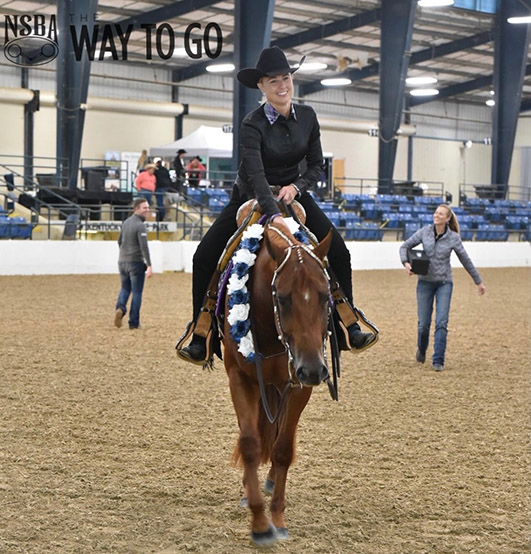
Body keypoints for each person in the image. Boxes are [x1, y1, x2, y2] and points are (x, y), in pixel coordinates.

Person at [177, 46, 375, 364]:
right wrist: (273, 213)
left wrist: (296, 188)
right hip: (250, 195)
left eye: (285, 78)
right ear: (261, 86)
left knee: (339, 252)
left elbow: (316, 166)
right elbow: (255, 174)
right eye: (273, 81)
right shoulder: (251, 124)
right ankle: (201, 333)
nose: (282, 86)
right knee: (204, 256)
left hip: (293, 193)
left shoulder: (307, 117)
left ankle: (346, 325)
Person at [399, 203, 486, 371]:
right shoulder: (424, 232)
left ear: (447, 218)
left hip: (444, 283)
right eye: (436, 213)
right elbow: (404, 246)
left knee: (441, 322)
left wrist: (478, 281)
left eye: (440, 214)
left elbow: (465, 260)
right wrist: (406, 263)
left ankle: (438, 360)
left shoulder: (453, 237)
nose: (436, 215)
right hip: (424, 282)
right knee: (423, 324)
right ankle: (422, 349)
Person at [114, 198, 153, 330]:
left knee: (125, 288)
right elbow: (144, 246)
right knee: (137, 292)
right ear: (136, 209)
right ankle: (134, 322)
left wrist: (124, 253)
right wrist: (149, 265)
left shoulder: (125, 222)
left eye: (148, 208)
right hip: (135, 262)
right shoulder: (140, 225)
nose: (147, 210)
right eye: (144, 208)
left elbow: (119, 241)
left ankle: (120, 308)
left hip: (122, 261)